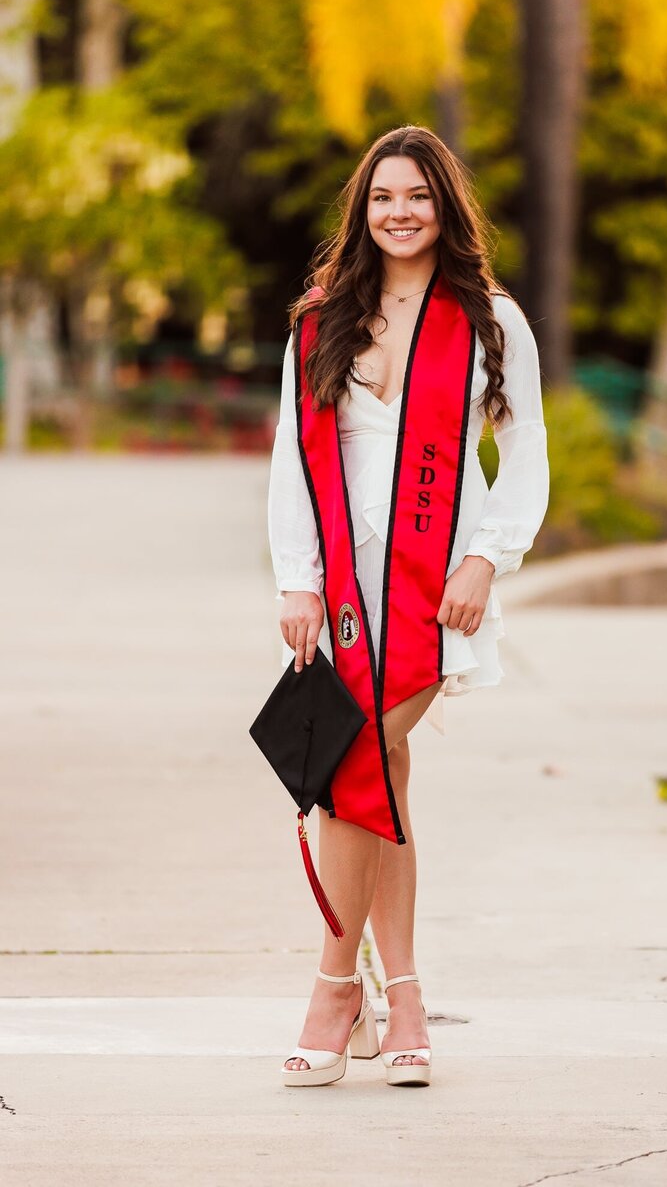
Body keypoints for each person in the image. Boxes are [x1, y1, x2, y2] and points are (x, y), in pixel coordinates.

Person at [267, 125, 549, 1087]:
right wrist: (296, 575)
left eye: (418, 196)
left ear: (445, 207)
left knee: (361, 751)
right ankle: (409, 999)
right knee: (376, 766)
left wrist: (485, 558)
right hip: (346, 587)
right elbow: (292, 463)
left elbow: (528, 457)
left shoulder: (489, 320)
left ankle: (336, 985)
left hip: (436, 590)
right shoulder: (322, 320)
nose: (400, 212)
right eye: (383, 196)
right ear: (362, 207)